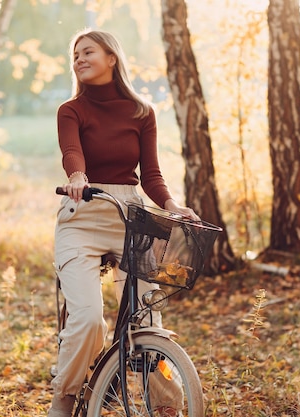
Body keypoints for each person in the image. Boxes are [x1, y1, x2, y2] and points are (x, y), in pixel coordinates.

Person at [49, 29, 200, 417]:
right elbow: (72, 152)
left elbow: (150, 174)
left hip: (131, 216)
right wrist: (78, 179)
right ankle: (64, 397)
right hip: (81, 215)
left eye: (88, 52)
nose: (79, 59)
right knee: (86, 321)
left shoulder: (142, 112)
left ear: (111, 58)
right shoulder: (72, 109)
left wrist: (171, 204)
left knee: (148, 316)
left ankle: (168, 407)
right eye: (75, 55)